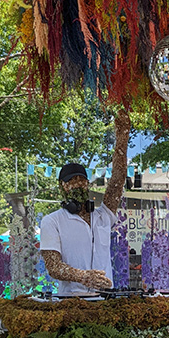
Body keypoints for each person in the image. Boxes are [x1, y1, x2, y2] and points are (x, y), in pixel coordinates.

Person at [39, 110, 130, 295]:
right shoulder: (52, 221)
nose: (78, 184)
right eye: (72, 181)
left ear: (87, 183)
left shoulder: (103, 216)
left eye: (82, 180)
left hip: (105, 300)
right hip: (71, 301)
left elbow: (117, 181)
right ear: (63, 187)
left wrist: (122, 138)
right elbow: (53, 266)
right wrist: (83, 276)